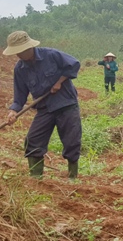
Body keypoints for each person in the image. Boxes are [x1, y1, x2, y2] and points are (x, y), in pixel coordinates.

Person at [3, 31, 82, 179]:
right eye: (16, 53)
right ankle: (36, 178)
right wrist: (13, 111)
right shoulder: (19, 69)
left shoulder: (51, 55)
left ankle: (72, 177)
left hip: (66, 104)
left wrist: (59, 82)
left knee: (71, 141)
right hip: (45, 109)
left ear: (29, 48)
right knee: (33, 141)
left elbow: (74, 64)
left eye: (20, 51)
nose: (18, 55)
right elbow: (19, 96)